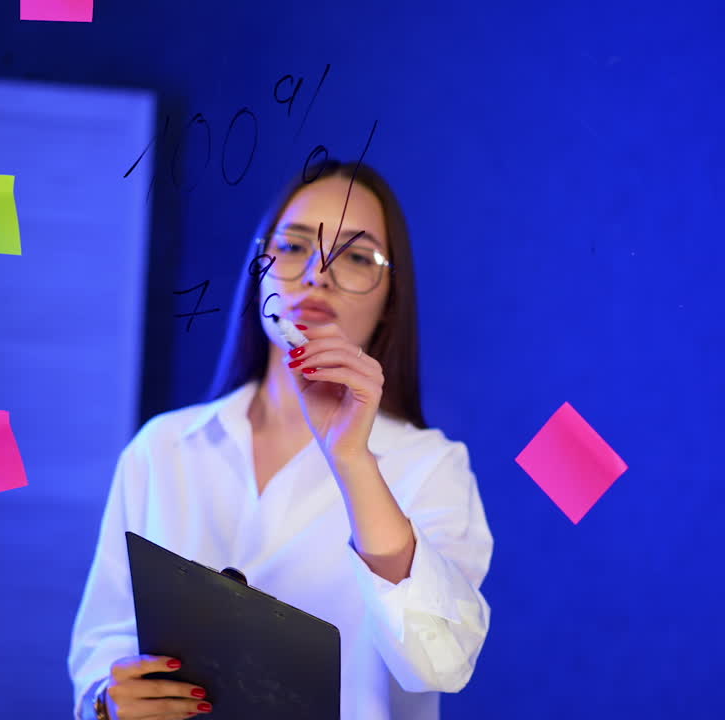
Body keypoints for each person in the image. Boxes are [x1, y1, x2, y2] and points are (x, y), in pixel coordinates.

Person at [68, 160, 494, 720]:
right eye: (293, 247)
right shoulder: (163, 447)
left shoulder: (431, 465)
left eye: (357, 257)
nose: (318, 273)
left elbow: (442, 663)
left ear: (391, 299)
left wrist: (352, 459)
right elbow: (103, 643)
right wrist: (107, 701)